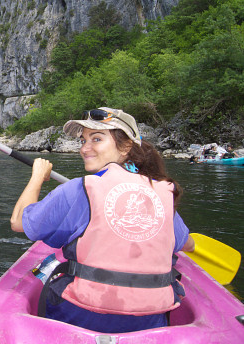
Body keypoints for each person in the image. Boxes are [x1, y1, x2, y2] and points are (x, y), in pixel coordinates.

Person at [10, 107, 195, 334]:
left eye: (96, 139)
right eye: (83, 140)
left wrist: (37, 176)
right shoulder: (160, 191)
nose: (84, 148)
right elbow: (187, 244)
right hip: (149, 323)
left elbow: (19, 222)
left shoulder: (79, 189)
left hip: (80, 315)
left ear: (126, 146)